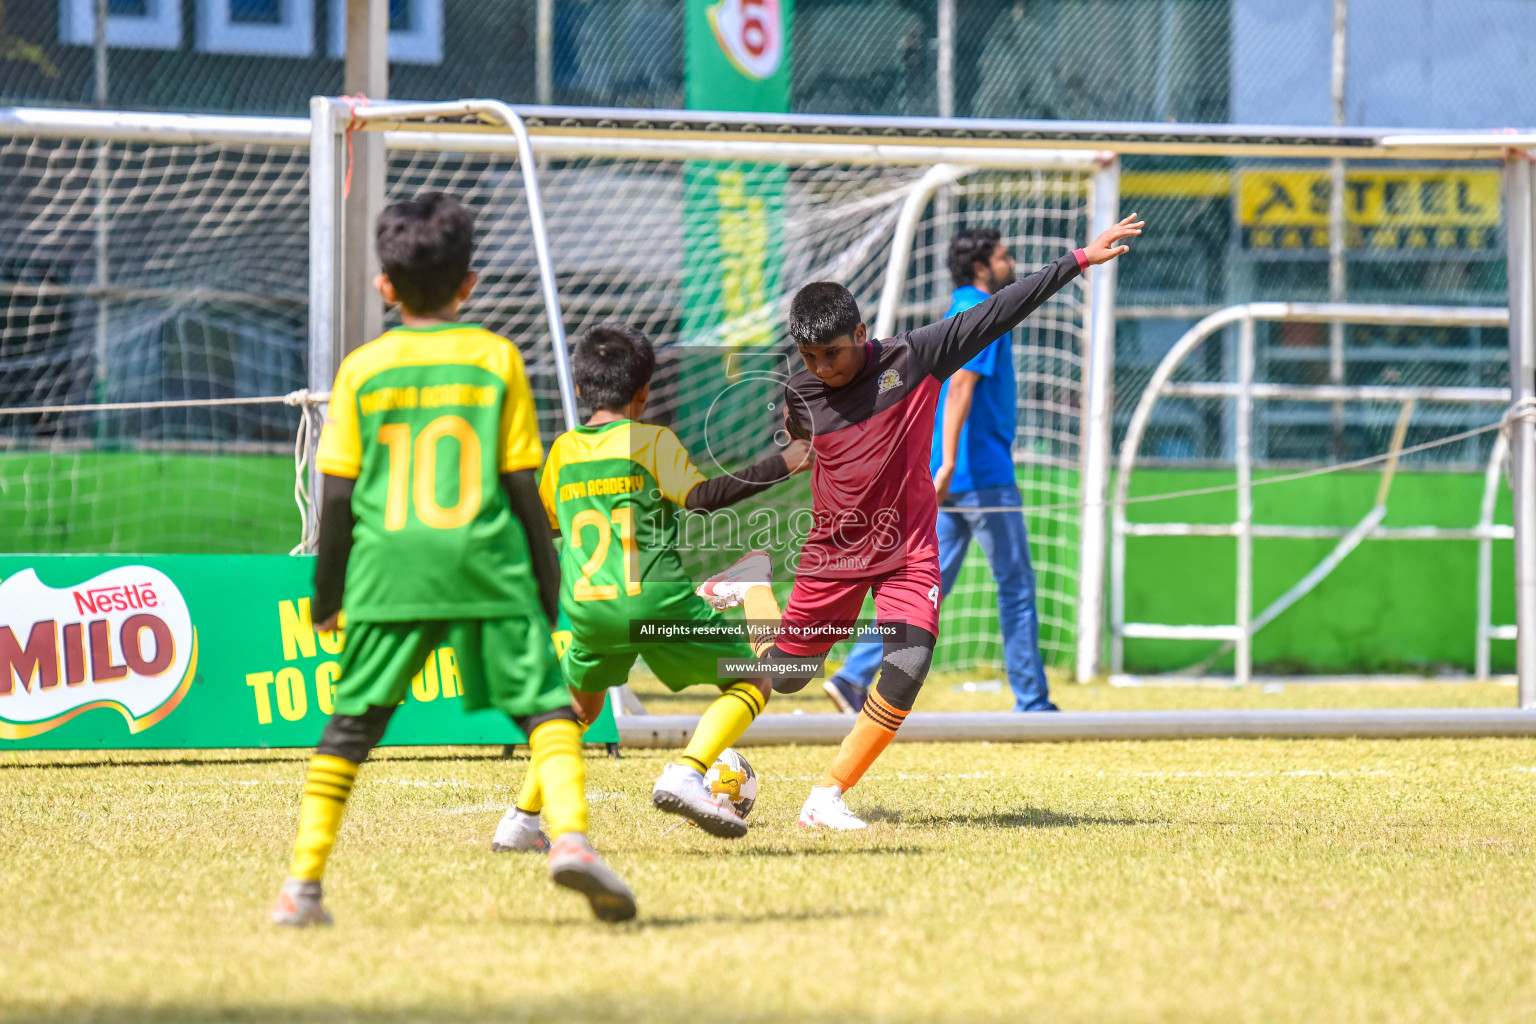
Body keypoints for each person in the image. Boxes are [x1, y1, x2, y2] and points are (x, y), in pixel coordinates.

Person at [272, 193, 636, 926]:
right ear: (469, 284)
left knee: (351, 726)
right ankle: (569, 840)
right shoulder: (494, 359)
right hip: (485, 566)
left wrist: (326, 591)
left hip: (388, 570)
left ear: (385, 286)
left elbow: (337, 496)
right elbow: (520, 488)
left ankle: (301, 888)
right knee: (545, 710)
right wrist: (544, 581)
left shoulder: (363, 370)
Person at [762, 213, 1144, 830]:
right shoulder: (803, 391)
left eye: (831, 353)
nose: (823, 366)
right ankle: (750, 616)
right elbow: (797, 442)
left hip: (909, 545)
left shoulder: (919, 354)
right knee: (784, 675)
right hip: (839, 550)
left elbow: (1002, 312)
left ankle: (827, 794)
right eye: (810, 357)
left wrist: (1077, 260)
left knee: (910, 660)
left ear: (862, 332)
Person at [490, 322, 812, 847]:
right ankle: (687, 772)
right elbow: (702, 497)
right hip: (654, 602)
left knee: (579, 710)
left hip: (589, 611)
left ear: (577, 388)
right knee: (756, 680)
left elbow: (548, 525)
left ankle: (522, 821)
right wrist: (783, 462)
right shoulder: (651, 441)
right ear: (644, 391)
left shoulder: (564, 452)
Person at [823, 227, 1058, 715]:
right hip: (980, 475)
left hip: (949, 479)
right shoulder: (982, 314)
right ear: (981, 267)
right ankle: (1033, 701)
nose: (1011, 263)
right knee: (1016, 585)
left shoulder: (955, 311)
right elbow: (961, 391)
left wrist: (940, 466)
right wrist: (949, 460)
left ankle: (851, 676)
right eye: (1003, 256)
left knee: (928, 586)